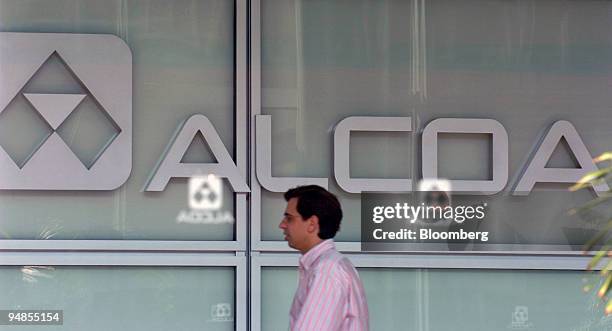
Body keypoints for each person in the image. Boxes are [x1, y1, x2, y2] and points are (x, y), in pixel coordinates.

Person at [279, 185, 369, 331]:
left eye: (289, 218)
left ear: (312, 224)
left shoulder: (326, 270)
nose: (282, 225)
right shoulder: (332, 265)